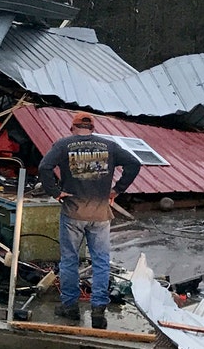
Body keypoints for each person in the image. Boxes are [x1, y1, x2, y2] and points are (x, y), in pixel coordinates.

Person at [39, 111, 141, 330]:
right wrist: (117, 190)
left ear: (72, 127)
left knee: (69, 261)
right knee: (101, 262)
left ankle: (70, 307)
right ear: (93, 129)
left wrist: (55, 192)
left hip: (73, 213)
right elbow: (134, 163)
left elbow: (44, 167)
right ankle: (98, 311)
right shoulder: (109, 146)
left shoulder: (63, 144)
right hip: (101, 214)